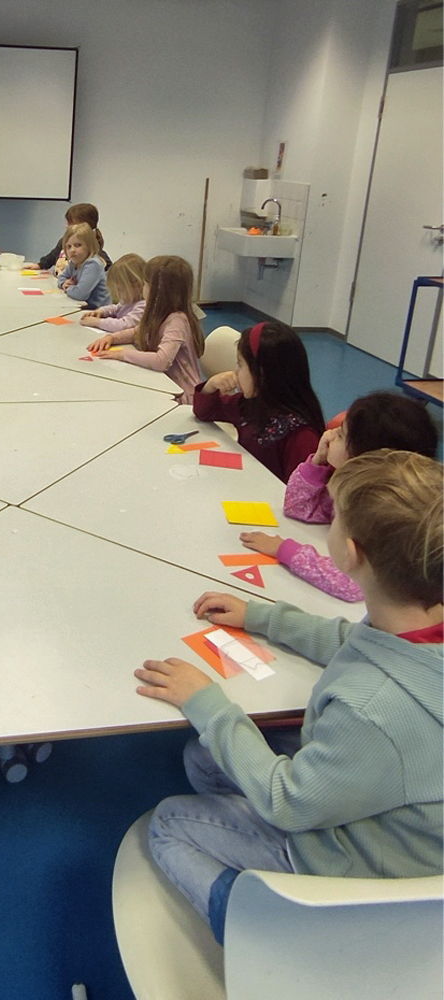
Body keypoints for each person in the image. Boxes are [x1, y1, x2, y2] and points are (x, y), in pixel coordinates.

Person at [135, 449, 443, 945]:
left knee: (169, 822)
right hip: (391, 813)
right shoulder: (418, 623)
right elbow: (355, 641)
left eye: (336, 514)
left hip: (361, 866)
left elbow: (288, 802)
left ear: (352, 551)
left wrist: (207, 701)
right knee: (203, 757)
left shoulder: (371, 710)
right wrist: (262, 617)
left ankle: (263, 937)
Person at [240, 391, 440, 602]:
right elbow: (298, 507)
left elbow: (352, 583)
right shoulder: (355, 484)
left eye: (342, 435)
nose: (330, 434)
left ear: (363, 457)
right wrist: (317, 461)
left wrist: (285, 550)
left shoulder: (385, 510)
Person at [192, 321, 324, 479]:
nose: (236, 371)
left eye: (240, 365)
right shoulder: (252, 403)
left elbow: (300, 494)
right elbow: (205, 412)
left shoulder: (301, 436)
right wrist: (211, 385)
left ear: (261, 373)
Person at [87, 255, 205, 403]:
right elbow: (137, 331)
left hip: (182, 396)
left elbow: (161, 361)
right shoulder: (158, 311)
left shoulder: (177, 321)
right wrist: (112, 338)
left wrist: (122, 354)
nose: (143, 288)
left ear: (158, 291)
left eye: (145, 284)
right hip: (162, 385)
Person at [24, 203, 112, 272]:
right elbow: (52, 256)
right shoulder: (64, 241)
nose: (66, 226)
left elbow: (109, 268)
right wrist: (40, 265)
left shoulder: (94, 249)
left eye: (71, 223)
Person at [79, 253, 147, 333]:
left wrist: (97, 322)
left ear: (137, 285)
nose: (118, 294)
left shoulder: (143, 305)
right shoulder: (129, 300)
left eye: (120, 290)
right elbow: (116, 308)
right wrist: (101, 312)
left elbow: (124, 325)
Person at [56, 223, 111, 310]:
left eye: (78, 245)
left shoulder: (93, 265)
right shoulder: (74, 262)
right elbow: (61, 277)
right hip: (82, 307)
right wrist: (63, 284)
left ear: (89, 246)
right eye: (69, 246)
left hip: (99, 311)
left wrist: (69, 288)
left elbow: (80, 294)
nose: (72, 250)